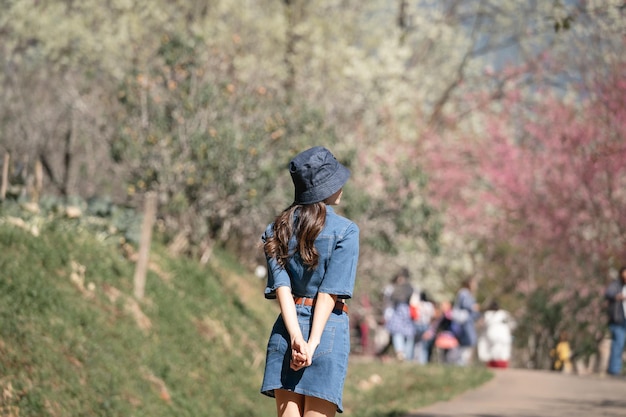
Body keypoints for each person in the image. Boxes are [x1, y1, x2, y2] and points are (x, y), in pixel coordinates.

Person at [260, 146, 360, 417]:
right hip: (327, 332)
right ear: (325, 187)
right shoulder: (346, 231)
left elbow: (282, 288)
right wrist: (311, 343)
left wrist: (295, 339)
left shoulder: (276, 229)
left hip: (286, 333)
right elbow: (329, 294)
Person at [383, 268, 417, 361]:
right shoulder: (410, 288)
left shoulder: (396, 289)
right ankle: (402, 353)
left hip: (402, 312)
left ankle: (403, 354)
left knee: (403, 334)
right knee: (400, 333)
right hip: (401, 312)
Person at [476, 300, 515, 368]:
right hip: (504, 334)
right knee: (502, 352)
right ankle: (499, 367)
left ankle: (494, 366)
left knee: (492, 351)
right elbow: (512, 324)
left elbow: (481, 324)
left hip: (492, 333)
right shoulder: (504, 313)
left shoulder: (487, 314)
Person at [451, 278, 481, 366]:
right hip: (464, 321)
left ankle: (462, 362)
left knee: (468, 342)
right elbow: (467, 305)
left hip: (467, 321)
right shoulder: (464, 293)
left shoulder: (466, 293)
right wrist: (474, 306)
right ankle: (460, 362)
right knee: (468, 341)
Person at [604, 266, 626, 376]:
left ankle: (615, 369)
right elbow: (608, 294)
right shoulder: (616, 285)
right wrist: (618, 297)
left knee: (620, 345)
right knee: (618, 344)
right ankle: (614, 370)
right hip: (618, 320)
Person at [413, 291, 435, 364]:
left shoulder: (418, 304)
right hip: (426, 325)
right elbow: (432, 317)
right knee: (424, 346)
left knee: (416, 344)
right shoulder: (430, 305)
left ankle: (416, 360)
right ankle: (423, 361)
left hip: (417, 325)